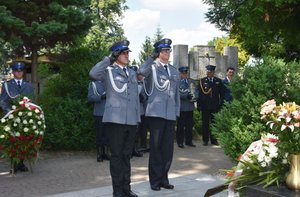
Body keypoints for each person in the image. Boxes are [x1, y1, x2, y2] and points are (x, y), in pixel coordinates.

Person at [89, 40, 140, 197]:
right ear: (117, 55)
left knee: (126, 155)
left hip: (131, 120)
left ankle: (126, 188)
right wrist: (108, 59)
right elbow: (93, 73)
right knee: (117, 155)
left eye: (127, 53)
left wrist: (137, 118)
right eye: (124, 53)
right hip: (115, 120)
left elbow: (135, 97)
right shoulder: (108, 71)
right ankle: (117, 190)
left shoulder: (131, 72)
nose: (127, 55)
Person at [138, 38, 180, 191]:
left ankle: (164, 179)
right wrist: (151, 58)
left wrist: (176, 112)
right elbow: (141, 72)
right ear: (158, 53)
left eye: (168, 50)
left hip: (170, 114)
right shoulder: (152, 68)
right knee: (155, 148)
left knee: (167, 149)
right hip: (155, 113)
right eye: (164, 51)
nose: (167, 53)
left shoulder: (174, 70)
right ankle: (155, 181)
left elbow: (175, 95)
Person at [0, 62, 34, 173]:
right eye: (16, 71)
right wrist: (9, 112)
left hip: (25, 116)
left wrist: (30, 112)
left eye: (20, 71)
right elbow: (3, 101)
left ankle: (21, 162)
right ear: (13, 72)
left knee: (24, 139)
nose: (18, 73)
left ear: (23, 72)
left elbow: (32, 100)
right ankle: (15, 163)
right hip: (12, 116)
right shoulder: (7, 85)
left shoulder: (28, 85)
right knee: (13, 140)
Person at [197, 65, 224, 146]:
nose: (209, 73)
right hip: (205, 106)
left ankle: (214, 140)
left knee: (214, 123)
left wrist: (221, 104)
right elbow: (200, 94)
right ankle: (205, 140)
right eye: (208, 72)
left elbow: (222, 94)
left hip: (215, 106)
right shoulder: (202, 81)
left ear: (213, 72)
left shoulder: (218, 81)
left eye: (211, 72)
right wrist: (199, 105)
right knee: (205, 124)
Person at [87, 80, 110, 162]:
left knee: (108, 134)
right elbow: (90, 97)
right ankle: (99, 154)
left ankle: (106, 153)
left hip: (109, 113)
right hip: (99, 113)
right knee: (99, 134)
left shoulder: (110, 82)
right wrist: (101, 97)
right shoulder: (93, 84)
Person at [176, 66, 197, 148]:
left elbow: (196, 91)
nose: (185, 74)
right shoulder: (178, 82)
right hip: (182, 107)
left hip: (190, 107)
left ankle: (189, 141)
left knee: (189, 125)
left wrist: (195, 97)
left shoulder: (191, 81)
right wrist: (186, 96)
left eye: (186, 73)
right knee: (180, 126)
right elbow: (178, 93)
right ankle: (180, 142)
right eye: (183, 73)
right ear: (180, 74)